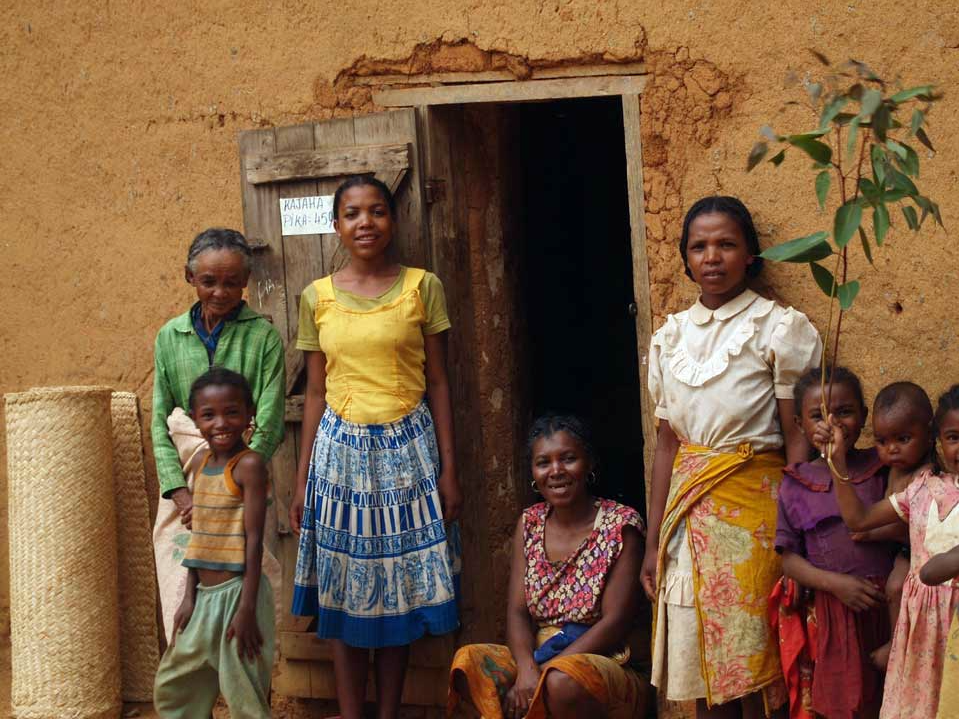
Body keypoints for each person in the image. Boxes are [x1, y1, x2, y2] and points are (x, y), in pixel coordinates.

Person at [640, 196, 823, 716]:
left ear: (750, 255)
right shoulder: (670, 338)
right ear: (685, 257)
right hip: (686, 517)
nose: (712, 257)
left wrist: (798, 530)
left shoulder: (777, 329)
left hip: (758, 514)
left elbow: (796, 439)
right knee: (704, 661)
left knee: (755, 655)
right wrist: (654, 543)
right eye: (699, 246)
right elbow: (668, 447)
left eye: (726, 244)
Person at [289, 176, 463, 718]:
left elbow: (438, 382)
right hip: (338, 456)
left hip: (408, 452)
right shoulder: (316, 297)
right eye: (353, 214)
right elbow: (315, 390)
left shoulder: (421, 286)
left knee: (401, 589)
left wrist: (448, 471)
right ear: (336, 225)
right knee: (342, 589)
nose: (366, 222)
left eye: (378, 211)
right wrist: (301, 482)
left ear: (393, 220)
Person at [448, 415, 647, 718]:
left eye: (568, 459)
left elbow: (615, 621)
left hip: (602, 659)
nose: (556, 471)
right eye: (544, 463)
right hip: (541, 657)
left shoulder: (621, 525)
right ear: (532, 472)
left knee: (562, 681)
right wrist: (528, 671)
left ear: (589, 464)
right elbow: (517, 612)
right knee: (470, 662)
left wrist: (545, 673)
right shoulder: (530, 522)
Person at [151, 227, 285, 643]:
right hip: (186, 490)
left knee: (244, 580)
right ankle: (196, 700)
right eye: (208, 281)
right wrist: (182, 493)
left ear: (245, 281)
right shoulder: (169, 337)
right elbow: (161, 421)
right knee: (182, 596)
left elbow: (270, 418)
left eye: (231, 282)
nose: (220, 292)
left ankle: (248, 684)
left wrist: (234, 482)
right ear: (189, 277)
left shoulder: (262, 336)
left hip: (242, 482)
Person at [816, 383, 959, 718]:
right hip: (923, 631)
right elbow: (859, 518)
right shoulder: (923, 487)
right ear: (938, 437)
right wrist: (836, 460)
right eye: (954, 437)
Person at [771, 367, 893, 717]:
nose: (832, 424)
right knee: (844, 702)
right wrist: (837, 585)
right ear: (799, 424)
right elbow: (789, 560)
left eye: (844, 412)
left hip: (885, 607)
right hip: (833, 612)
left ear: (864, 416)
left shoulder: (882, 467)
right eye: (817, 415)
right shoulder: (795, 484)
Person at [153, 368, 275, 719]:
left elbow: (253, 539)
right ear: (195, 420)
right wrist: (190, 595)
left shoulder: (248, 465)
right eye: (209, 415)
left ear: (249, 414)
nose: (221, 423)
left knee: (244, 692)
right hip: (205, 598)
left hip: (239, 593)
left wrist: (248, 608)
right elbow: (200, 537)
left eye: (232, 412)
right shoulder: (205, 465)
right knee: (176, 685)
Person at [852, 382, 937, 670]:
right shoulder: (893, 469)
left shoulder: (927, 473)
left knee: (896, 585)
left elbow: (908, 524)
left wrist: (871, 532)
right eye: (882, 441)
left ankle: (895, 644)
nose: (892, 449)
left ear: (929, 433)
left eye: (902, 438)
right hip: (902, 547)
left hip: (923, 547)